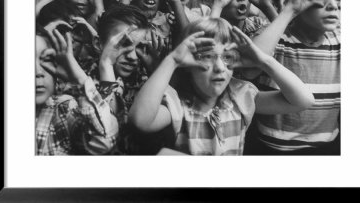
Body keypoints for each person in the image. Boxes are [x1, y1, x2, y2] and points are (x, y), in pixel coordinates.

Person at [129, 18, 314, 155]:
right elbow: (140, 121)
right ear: (187, 66)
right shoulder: (178, 103)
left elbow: (303, 101)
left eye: (227, 58)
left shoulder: (241, 97)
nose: (219, 67)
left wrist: (263, 61)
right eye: (207, 56)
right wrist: (173, 60)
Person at [247, 0, 341, 155]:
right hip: (271, 151)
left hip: (328, 150)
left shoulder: (340, 43)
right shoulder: (276, 39)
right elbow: (250, 65)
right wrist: (289, 11)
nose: (333, 6)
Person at [96, 4, 170, 154]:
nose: (132, 57)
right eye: (123, 44)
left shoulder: (145, 80)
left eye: (140, 48)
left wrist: (155, 70)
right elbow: (107, 134)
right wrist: (106, 65)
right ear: (98, 44)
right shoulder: (82, 81)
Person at [35, 26, 118, 155]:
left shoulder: (62, 110)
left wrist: (80, 80)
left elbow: (105, 141)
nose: (38, 72)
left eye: (46, 60)